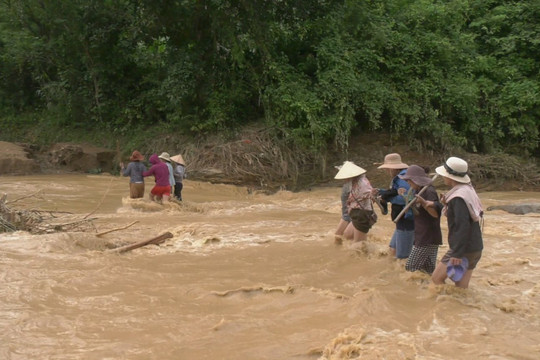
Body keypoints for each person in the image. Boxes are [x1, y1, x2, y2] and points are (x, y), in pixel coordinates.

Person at [431, 157, 484, 289]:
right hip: (475, 246)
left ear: (450, 177)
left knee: (436, 279)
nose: (443, 178)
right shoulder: (467, 190)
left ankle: (443, 308)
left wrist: (457, 253)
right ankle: (459, 308)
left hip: (463, 248)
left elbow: (462, 226)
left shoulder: (458, 198)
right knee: (461, 288)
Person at [398, 165, 443, 274]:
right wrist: (405, 196)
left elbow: (435, 214)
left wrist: (424, 203)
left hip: (428, 236)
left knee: (410, 268)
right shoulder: (417, 190)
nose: (408, 183)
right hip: (423, 234)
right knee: (427, 270)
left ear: (415, 180)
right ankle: (429, 289)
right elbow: (415, 208)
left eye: (409, 180)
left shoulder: (429, 191)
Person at [373, 153, 414, 259]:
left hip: (406, 219)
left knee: (402, 257)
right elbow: (395, 192)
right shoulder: (402, 177)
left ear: (393, 169)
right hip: (402, 219)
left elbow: (407, 199)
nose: (387, 171)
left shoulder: (403, 179)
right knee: (393, 250)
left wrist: (387, 198)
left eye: (387, 169)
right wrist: (381, 192)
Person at [335, 161, 376, 244]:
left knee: (358, 244)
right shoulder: (354, 183)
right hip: (355, 213)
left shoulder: (362, 183)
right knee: (347, 235)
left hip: (361, 213)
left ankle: (367, 254)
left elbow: (373, 196)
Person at [334, 163, 354, 244]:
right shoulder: (348, 183)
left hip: (353, 214)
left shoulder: (353, 184)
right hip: (346, 214)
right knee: (338, 237)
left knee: (346, 237)